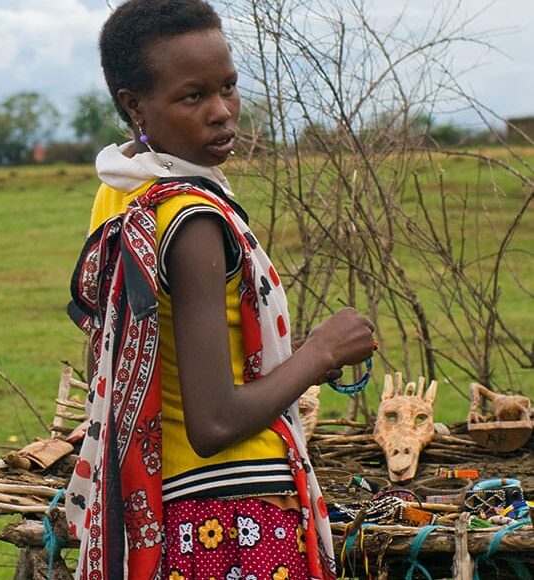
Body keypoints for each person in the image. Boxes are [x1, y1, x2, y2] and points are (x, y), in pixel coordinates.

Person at [64, 1, 376, 578]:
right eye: (193, 96)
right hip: (237, 517)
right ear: (134, 104)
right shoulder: (193, 220)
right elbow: (214, 423)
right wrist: (323, 351)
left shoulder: (120, 193)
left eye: (227, 88)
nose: (222, 113)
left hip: (170, 507)